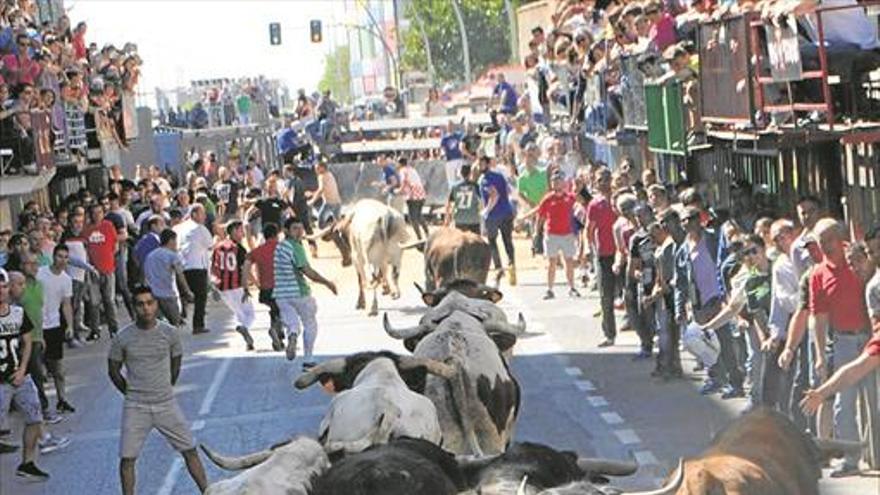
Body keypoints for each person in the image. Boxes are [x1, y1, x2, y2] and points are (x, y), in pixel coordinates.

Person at [108, 285, 208, 495]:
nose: (146, 308)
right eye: (140, 304)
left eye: (150, 303)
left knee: (190, 450)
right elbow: (114, 370)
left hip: (166, 403)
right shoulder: (123, 337)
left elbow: (176, 363)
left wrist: (165, 386)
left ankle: (208, 491)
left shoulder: (169, 333)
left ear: (156, 304)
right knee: (127, 458)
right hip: (136, 405)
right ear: (134, 308)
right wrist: (129, 392)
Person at [808, 218, 875, 477]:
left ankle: (875, 454)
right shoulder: (818, 274)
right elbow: (818, 316)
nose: (825, 246)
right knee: (843, 403)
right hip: (844, 341)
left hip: (870, 336)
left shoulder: (858, 258)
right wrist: (819, 355)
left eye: (829, 239)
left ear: (841, 236)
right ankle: (850, 459)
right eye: (820, 241)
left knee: (873, 400)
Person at [0, 268, 51, 480]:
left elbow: (28, 340)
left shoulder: (18, 313)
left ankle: (28, 463)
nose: (1, 291)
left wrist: (22, 368)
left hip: (19, 376)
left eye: (3, 286)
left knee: (34, 417)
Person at [274, 217, 337, 368]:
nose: (299, 232)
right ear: (286, 231)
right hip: (299, 292)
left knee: (292, 323)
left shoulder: (280, 247)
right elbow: (308, 272)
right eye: (295, 228)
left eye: (301, 228)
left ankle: (293, 335)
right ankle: (308, 359)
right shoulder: (296, 247)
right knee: (310, 323)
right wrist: (327, 283)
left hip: (281, 294)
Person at [520, 170, 579, 299]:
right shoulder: (547, 199)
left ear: (563, 183)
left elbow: (579, 211)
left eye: (558, 180)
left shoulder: (570, 198)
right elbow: (541, 216)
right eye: (554, 181)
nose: (556, 183)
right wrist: (537, 232)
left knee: (569, 260)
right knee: (552, 261)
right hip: (552, 234)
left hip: (567, 233)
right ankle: (550, 289)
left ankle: (572, 287)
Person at [36, 245, 76, 415]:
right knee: (39, 370)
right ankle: (40, 405)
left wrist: (70, 326)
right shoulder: (41, 273)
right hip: (37, 325)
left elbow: (66, 305)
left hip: (54, 326)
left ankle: (62, 399)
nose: (62, 260)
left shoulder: (66, 280)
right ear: (53, 256)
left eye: (65, 257)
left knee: (58, 368)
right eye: (59, 256)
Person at [211, 221, 255, 351]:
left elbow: (213, 267)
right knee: (250, 314)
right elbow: (244, 270)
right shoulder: (240, 249)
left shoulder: (218, 247)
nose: (242, 234)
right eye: (241, 230)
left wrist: (213, 286)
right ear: (234, 231)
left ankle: (248, 341)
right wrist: (249, 286)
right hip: (237, 286)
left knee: (239, 313)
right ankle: (243, 327)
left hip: (223, 287)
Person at [586, 168, 617, 347]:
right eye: (600, 180)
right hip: (604, 254)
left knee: (631, 296)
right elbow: (589, 229)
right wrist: (589, 250)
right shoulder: (594, 205)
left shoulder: (618, 201)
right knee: (606, 297)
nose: (604, 183)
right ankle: (609, 333)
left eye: (606, 179)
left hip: (623, 254)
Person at [245, 222, 285, 351]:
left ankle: (278, 335)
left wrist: (251, 285)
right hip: (281, 288)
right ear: (277, 235)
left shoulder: (257, 251)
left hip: (265, 290)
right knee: (284, 311)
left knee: (274, 309)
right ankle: (276, 331)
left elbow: (245, 268)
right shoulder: (283, 248)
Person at [174, 204, 213, 335]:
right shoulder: (200, 228)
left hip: (180, 266)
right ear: (194, 214)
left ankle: (176, 320)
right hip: (196, 266)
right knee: (200, 297)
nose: (205, 216)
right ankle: (198, 325)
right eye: (202, 213)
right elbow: (210, 245)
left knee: (181, 295)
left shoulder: (177, 228)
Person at [82, 202, 118, 340]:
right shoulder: (86, 229)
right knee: (94, 302)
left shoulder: (108, 226)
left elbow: (115, 244)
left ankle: (113, 328)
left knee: (109, 300)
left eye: (100, 212)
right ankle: (95, 329)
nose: (97, 215)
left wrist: (110, 257)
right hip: (92, 270)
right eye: (94, 213)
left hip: (108, 268)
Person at [478, 155, 517, 286]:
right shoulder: (499, 176)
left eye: (482, 164)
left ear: (488, 164)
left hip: (494, 215)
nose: (480, 167)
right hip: (507, 212)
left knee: (492, 242)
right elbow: (506, 191)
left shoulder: (485, 179)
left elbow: (494, 195)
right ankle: (512, 265)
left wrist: (486, 210)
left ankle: (499, 268)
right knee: (508, 241)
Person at [143, 229, 194, 327]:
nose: (176, 244)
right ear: (171, 240)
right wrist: (187, 291)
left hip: (153, 295)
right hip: (168, 295)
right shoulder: (172, 256)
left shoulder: (150, 256)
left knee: (157, 326)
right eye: (175, 240)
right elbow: (180, 275)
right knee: (174, 325)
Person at [397, 156, 429, 241]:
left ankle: (419, 237)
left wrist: (399, 191)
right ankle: (427, 233)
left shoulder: (403, 170)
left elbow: (404, 182)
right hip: (421, 194)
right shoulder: (412, 169)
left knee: (413, 218)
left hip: (412, 196)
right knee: (419, 215)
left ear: (400, 164)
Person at [445, 163, 482, 235]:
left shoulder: (455, 187)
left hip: (460, 219)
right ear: (470, 173)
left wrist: (447, 218)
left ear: (461, 174)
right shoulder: (475, 186)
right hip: (473, 218)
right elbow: (482, 201)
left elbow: (449, 204)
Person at [309, 161, 342, 228]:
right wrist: (313, 193)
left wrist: (312, 201)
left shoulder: (321, 176)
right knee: (338, 222)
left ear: (322, 168)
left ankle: (330, 232)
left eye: (317, 168)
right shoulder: (330, 174)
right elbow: (326, 189)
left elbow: (321, 190)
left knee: (321, 225)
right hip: (338, 202)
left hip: (329, 203)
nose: (315, 170)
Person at [440, 121, 465, 189]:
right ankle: (452, 193)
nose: (450, 127)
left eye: (451, 125)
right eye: (449, 126)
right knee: (451, 179)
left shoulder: (458, 135)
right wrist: (443, 155)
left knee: (460, 175)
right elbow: (443, 149)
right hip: (450, 160)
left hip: (459, 158)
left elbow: (463, 141)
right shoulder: (445, 138)